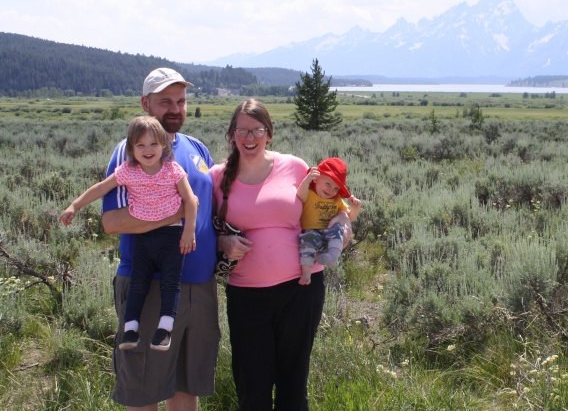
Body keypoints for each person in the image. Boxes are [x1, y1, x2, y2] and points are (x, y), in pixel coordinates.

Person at [211, 98, 351, 411]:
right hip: (247, 296)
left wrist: (343, 222)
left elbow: (328, 206)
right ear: (232, 134)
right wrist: (222, 242)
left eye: (257, 130)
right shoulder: (217, 178)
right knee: (252, 388)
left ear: (269, 134)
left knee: (293, 385)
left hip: (301, 290)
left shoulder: (296, 167)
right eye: (242, 130)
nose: (249, 138)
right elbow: (203, 229)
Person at [101, 68, 220, 411]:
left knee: (186, 385)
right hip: (149, 285)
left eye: (181, 101)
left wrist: (223, 240)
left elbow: (211, 210)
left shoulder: (197, 148)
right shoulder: (130, 154)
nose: (175, 109)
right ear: (145, 104)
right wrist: (180, 213)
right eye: (165, 101)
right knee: (143, 388)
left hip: (199, 284)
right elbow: (112, 221)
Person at [61, 116, 197, 351]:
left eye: (153, 144)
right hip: (142, 235)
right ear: (131, 148)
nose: (147, 150)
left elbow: (191, 201)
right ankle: (130, 330)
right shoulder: (128, 171)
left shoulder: (172, 170)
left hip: (172, 235)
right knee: (139, 281)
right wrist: (75, 205)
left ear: (163, 145)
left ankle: (165, 329)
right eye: (140, 145)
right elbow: (101, 188)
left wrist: (188, 232)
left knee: (170, 282)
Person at [297, 158, 361, 285]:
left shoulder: (336, 200)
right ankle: (306, 273)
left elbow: (350, 217)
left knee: (338, 229)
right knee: (307, 242)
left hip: (329, 232)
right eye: (328, 184)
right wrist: (306, 181)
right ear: (316, 179)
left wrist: (356, 208)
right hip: (312, 232)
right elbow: (300, 194)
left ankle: (332, 256)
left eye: (336, 188)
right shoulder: (309, 194)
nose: (331, 190)